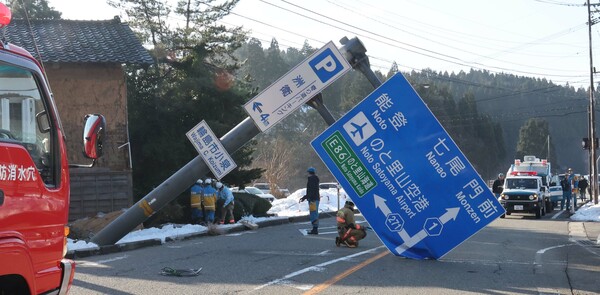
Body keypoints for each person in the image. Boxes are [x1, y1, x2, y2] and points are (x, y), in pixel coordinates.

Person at [300, 167, 320, 235]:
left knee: (313, 214)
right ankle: (315, 228)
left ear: (309, 173)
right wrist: (305, 197)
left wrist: (306, 197)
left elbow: (311, 190)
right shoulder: (315, 179)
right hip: (315, 198)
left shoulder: (312, 179)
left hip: (313, 200)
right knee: (314, 213)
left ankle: (315, 229)